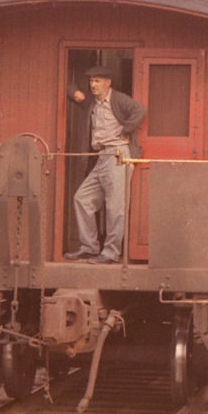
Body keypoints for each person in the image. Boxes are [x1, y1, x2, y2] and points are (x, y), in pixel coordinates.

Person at [64, 65, 146, 264]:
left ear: (108, 83)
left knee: (115, 207)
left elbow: (140, 110)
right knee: (82, 199)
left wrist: (126, 130)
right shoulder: (92, 103)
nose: (93, 85)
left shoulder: (117, 99)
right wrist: (76, 95)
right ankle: (90, 247)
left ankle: (110, 253)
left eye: (98, 81)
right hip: (102, 157)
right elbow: (69, 88)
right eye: (91, 81)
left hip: (117, 155)